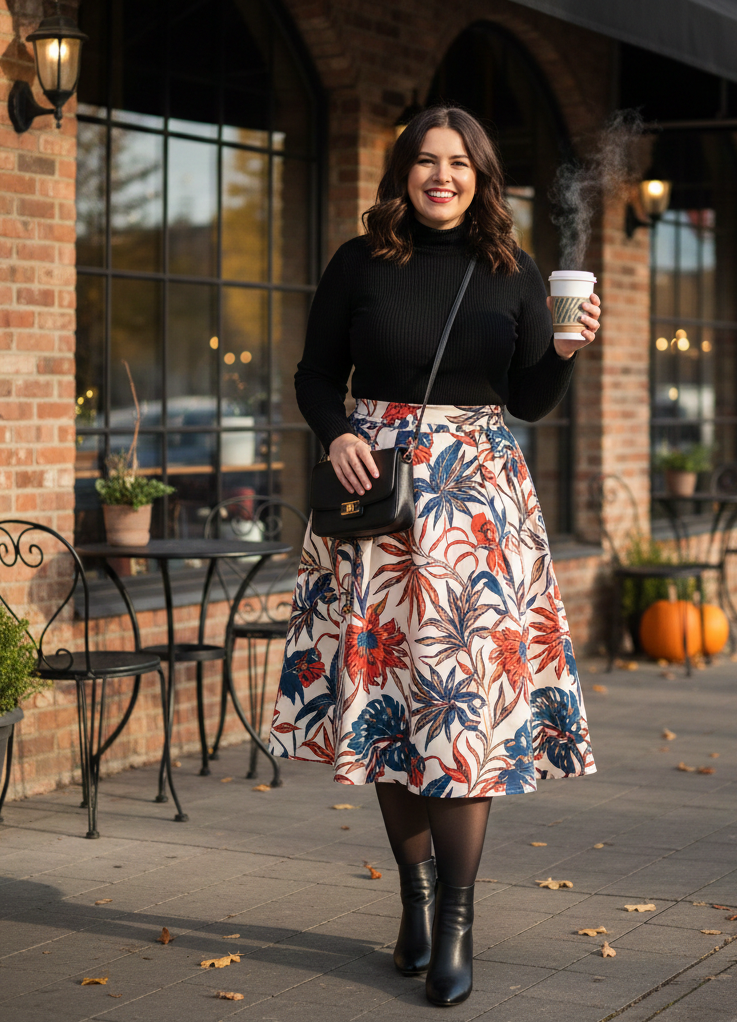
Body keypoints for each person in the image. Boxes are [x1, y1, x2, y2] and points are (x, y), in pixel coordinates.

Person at [269, 104, 600, 1007]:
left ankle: (453, 923)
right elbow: (311, 375)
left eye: (457, 162)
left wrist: (565, 348)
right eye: (425, 160)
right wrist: (336, 432)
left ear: (481, 176)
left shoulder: (513, 271)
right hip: (373, 506)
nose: (440, 175)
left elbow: (529, 397)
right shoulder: (359, 261)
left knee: (457, 722)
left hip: (476, 516)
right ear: (403, 173)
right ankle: (413, 903)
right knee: (384, 706)